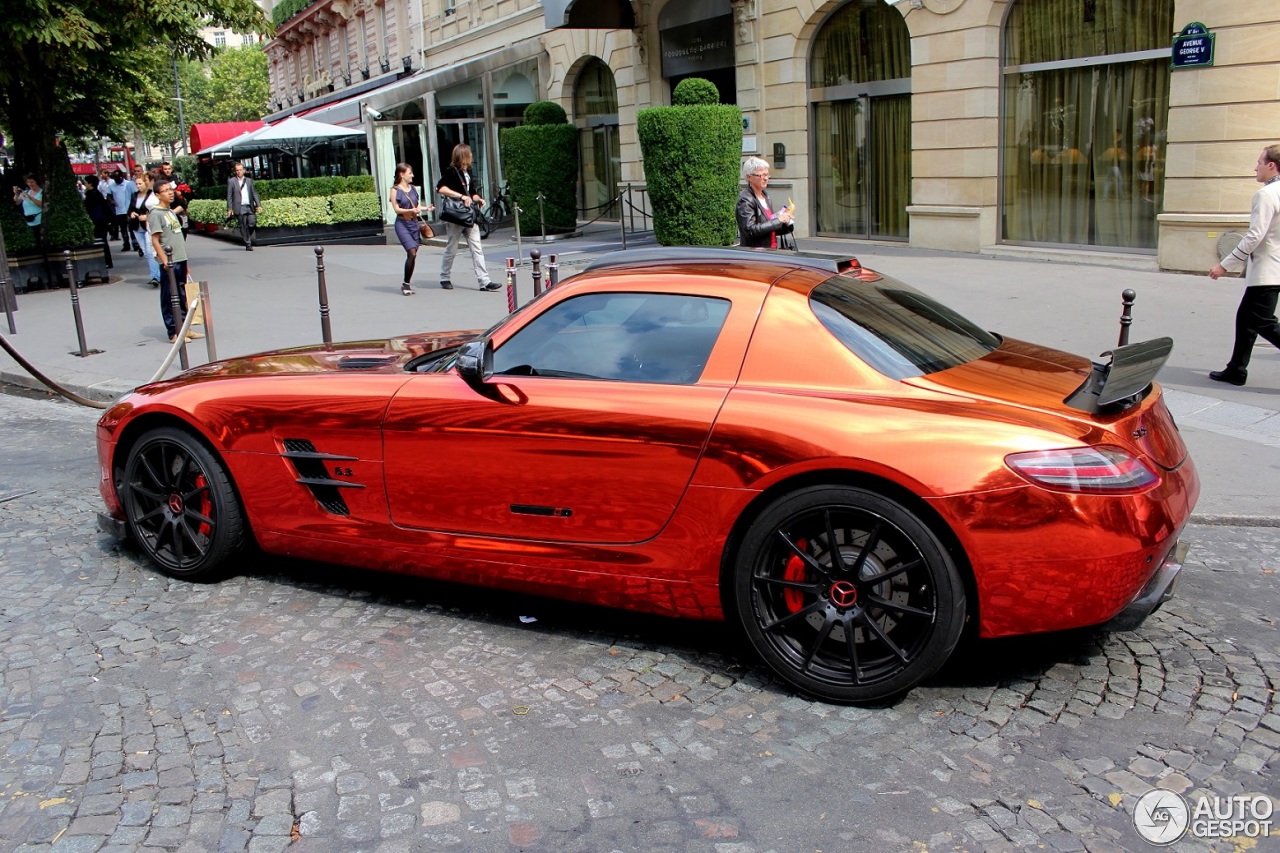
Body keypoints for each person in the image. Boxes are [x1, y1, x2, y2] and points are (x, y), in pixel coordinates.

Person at [1207, 144, 1280, 386]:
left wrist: (1225, 265)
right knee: (1247, 320)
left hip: (1268, 270)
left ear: (1271, 165)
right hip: (1274, 268)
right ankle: (1236, 369)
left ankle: (1236, 369)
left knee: (1263, 322)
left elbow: (1254, 235)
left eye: (1259, 162)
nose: (1255, 167)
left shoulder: (1267, 195)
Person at [436, 144, 497, 291]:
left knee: (477, 248)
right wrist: (461, 196)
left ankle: (484, 281)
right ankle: (445, 276)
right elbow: (440, 188)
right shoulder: (451, 171)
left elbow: (472, 192)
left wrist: (478, 199)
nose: (471, 156)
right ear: (463, 155)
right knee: (452, 248)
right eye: (469, 153)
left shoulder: (467, 171)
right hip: (456, 216)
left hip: (469, 215)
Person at [148, 178, 202, 344]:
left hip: (181, 259)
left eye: (170, 190)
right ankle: (173, 332)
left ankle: (185, 328)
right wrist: (165, 261)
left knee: (183, 295)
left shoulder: (170, 212)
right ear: (157, 195)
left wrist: (186, 263)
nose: (170, 193)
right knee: (170, 297)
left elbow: (177, 239)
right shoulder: (155, 214)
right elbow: (155, 240)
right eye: (165, 191)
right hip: (170, 262)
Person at [389, 163, 434, 296]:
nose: (412, 175)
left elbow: (417, 205)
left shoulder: (413, 189)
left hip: (414, 223)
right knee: (412, 252)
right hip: (402, 224)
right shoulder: (395, 190)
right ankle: (406, 284)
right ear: (402, 175)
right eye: (410, 173)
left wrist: (426, 208)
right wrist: (410, 210)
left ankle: (406, 283)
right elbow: (396, 209)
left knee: (412, 255)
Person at [736, 156, 794, 249]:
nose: (766, 178)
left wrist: (786, 222)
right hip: (756, 254)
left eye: (767, 174)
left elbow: (769, 229)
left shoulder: (766, 196)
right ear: (749, 177)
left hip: (771, 251)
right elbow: (750, 231)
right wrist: (778, 220)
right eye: (762, 175)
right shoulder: (746, 200)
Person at [130, 172, 162, 287]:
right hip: (137, 226)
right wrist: (131, 213)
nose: (138, 186)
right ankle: (156, 274)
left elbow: (157, 210)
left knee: (151, 251)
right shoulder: (134, 195)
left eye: (140, 183)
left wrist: (146, 217)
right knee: (146, 252)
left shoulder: (152, 194)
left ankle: (156, 276)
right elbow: (130, 208)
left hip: (148, 226)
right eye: (136, 184)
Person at [225, 162, 263, 251]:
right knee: (243, 225)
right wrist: (229, 208)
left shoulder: (249, 181)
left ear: (244, 171)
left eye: (240, 170)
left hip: (249, 206)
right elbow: (229, 196)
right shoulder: (231, 181)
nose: (238, 172)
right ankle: (248, 244)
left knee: (252, 223)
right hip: (239, 207)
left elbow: (254, 193)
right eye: (237, 170)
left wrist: (258, 205)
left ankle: (246, 236)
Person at [81, 175, 115, 270]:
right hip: (100, 220)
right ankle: (106, 261)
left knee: (101, 241)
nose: (85, 184)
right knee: (102, 241)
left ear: (90, 183)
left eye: (86, 182)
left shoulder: (93, 194)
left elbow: (89, 207)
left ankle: (106, 261)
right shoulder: (95, 193)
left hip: (98, 221)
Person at [107, 169, 139, 254]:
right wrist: (112, 201)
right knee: (123, 228)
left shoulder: (128, 184)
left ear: (121, 177)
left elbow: (134, 196)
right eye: (114, 178)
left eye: (117, 178)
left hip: (128, 210)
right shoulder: (111, 185)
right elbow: (108, 196)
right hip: (119, 210)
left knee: (131, 228)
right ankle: (126, 244)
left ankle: (135, 244)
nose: (116, 180)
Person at [12, 174, 43, 239]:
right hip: (29, 222)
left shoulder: (41, 192)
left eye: (32, 182)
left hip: (39, 222)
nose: (30, 184)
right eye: (28, 182)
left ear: (36, 182)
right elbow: (17, 202)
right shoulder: (26, 192)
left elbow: (41, 205)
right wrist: (16, 193)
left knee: (40, 239)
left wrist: (30, 197)